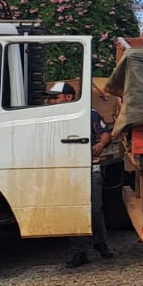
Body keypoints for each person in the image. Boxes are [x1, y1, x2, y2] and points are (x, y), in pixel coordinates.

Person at [50, 82, 115, 268]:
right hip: (66, 171)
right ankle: (79, 252)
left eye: (56, 98)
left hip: (89, 169)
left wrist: (100, 145)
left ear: (69, 97)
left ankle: (100, 243)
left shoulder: (89, 113)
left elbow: (105, 134)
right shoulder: (50, 118)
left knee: (94, 210)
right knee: (73, 211)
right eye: (50, 98)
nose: (51, 101)